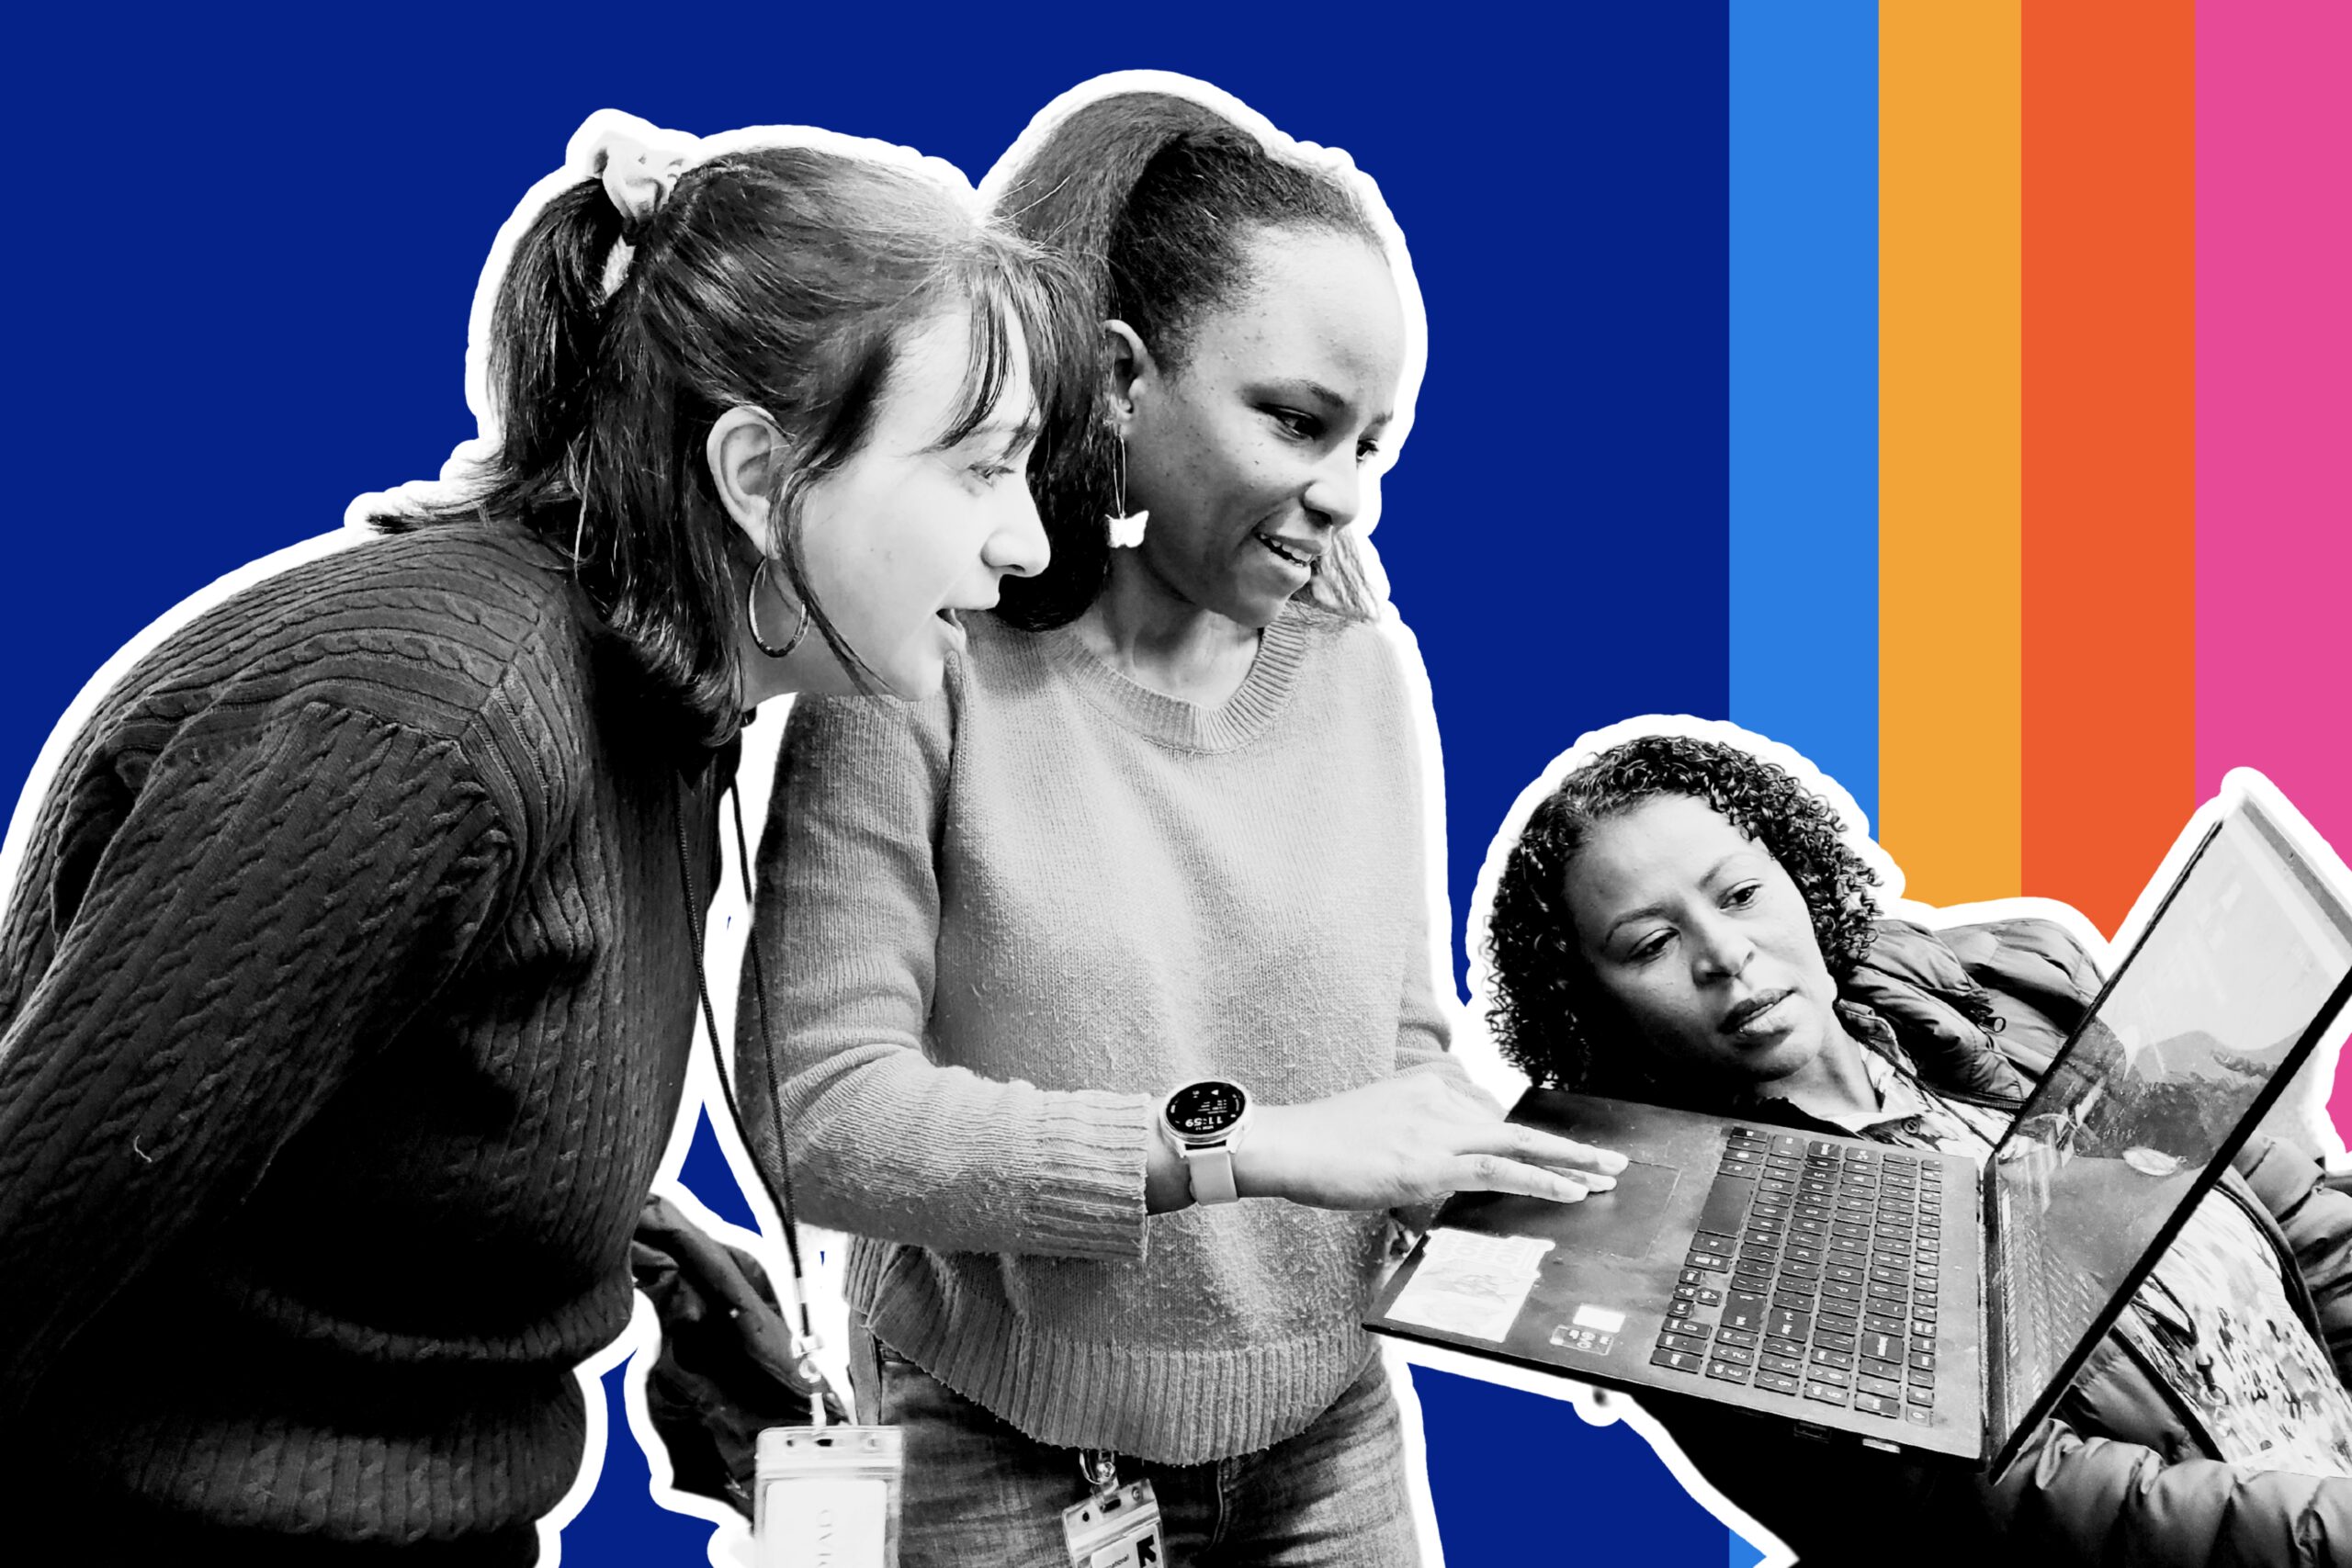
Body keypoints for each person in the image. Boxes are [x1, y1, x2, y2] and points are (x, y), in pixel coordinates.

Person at [0, 112, 1076, 1561]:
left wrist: (621, 1244)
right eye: (981, 466)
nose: (1030, 545)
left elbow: (379, 1087)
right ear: (758, 477)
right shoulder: (420, 733)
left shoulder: (662, 694)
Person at [741, 82, 1623, 1566]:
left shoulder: (1357, 653)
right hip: (998, 1447)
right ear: (1121, 382)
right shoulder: (919, 658)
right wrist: (1252, 1147)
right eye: (1297, 422)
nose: (1348, 500)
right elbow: (819, 1117)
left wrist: (1513, 1216)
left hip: (1331, 1429)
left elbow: (1389, 1035)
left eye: (1376, 447)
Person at [1481, 729, 2352, 1568]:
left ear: (1798, 872)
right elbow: (2036, 1510)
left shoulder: (2009, 983)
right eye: (1652, 944)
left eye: (1740, 893)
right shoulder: (1674, 1270)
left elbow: (2288, 1209)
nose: (1725, 952)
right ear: (1591, 1006)